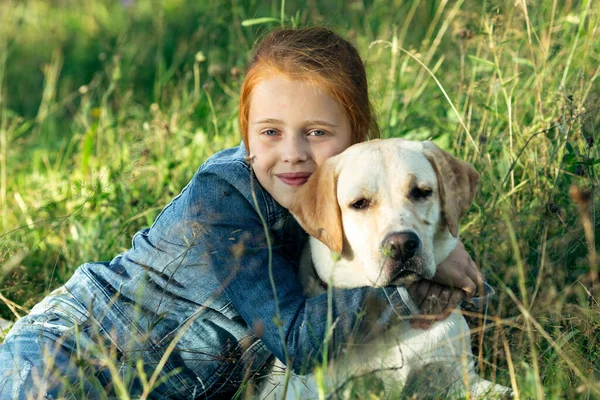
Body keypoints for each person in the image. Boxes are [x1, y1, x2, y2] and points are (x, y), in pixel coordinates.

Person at [0, 27, 485, 399]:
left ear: (355, 136)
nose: (292, 153)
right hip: (75, 347)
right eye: (270, 132)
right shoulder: (223, 199)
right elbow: (296, 341)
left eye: (316, 132)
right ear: (246, 131)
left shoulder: (349, 186)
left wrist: (435, 242)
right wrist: (416, 285)